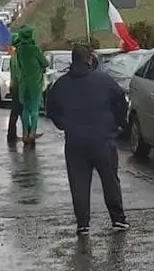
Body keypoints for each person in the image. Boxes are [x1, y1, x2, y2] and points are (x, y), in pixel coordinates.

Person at [46, 44, 129, 235]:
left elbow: (51, 108)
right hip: (103, 139)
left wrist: (64, 124)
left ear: (72, 60)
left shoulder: (61, 84)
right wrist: (118, 123)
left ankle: (83, 223)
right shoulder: (104, 80)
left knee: (79, 183)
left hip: (75, 141)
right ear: (90, 59)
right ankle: (118, 219)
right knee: (110, 180)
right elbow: (120, 101)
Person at [11, 26, 48, 146]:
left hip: (23, 83)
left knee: (25, 109)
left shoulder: (20, 50)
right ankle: (32, 133)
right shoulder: (34, 49)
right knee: (34, 109)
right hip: (35, 83)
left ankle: (25, 134)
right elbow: (45, 63)